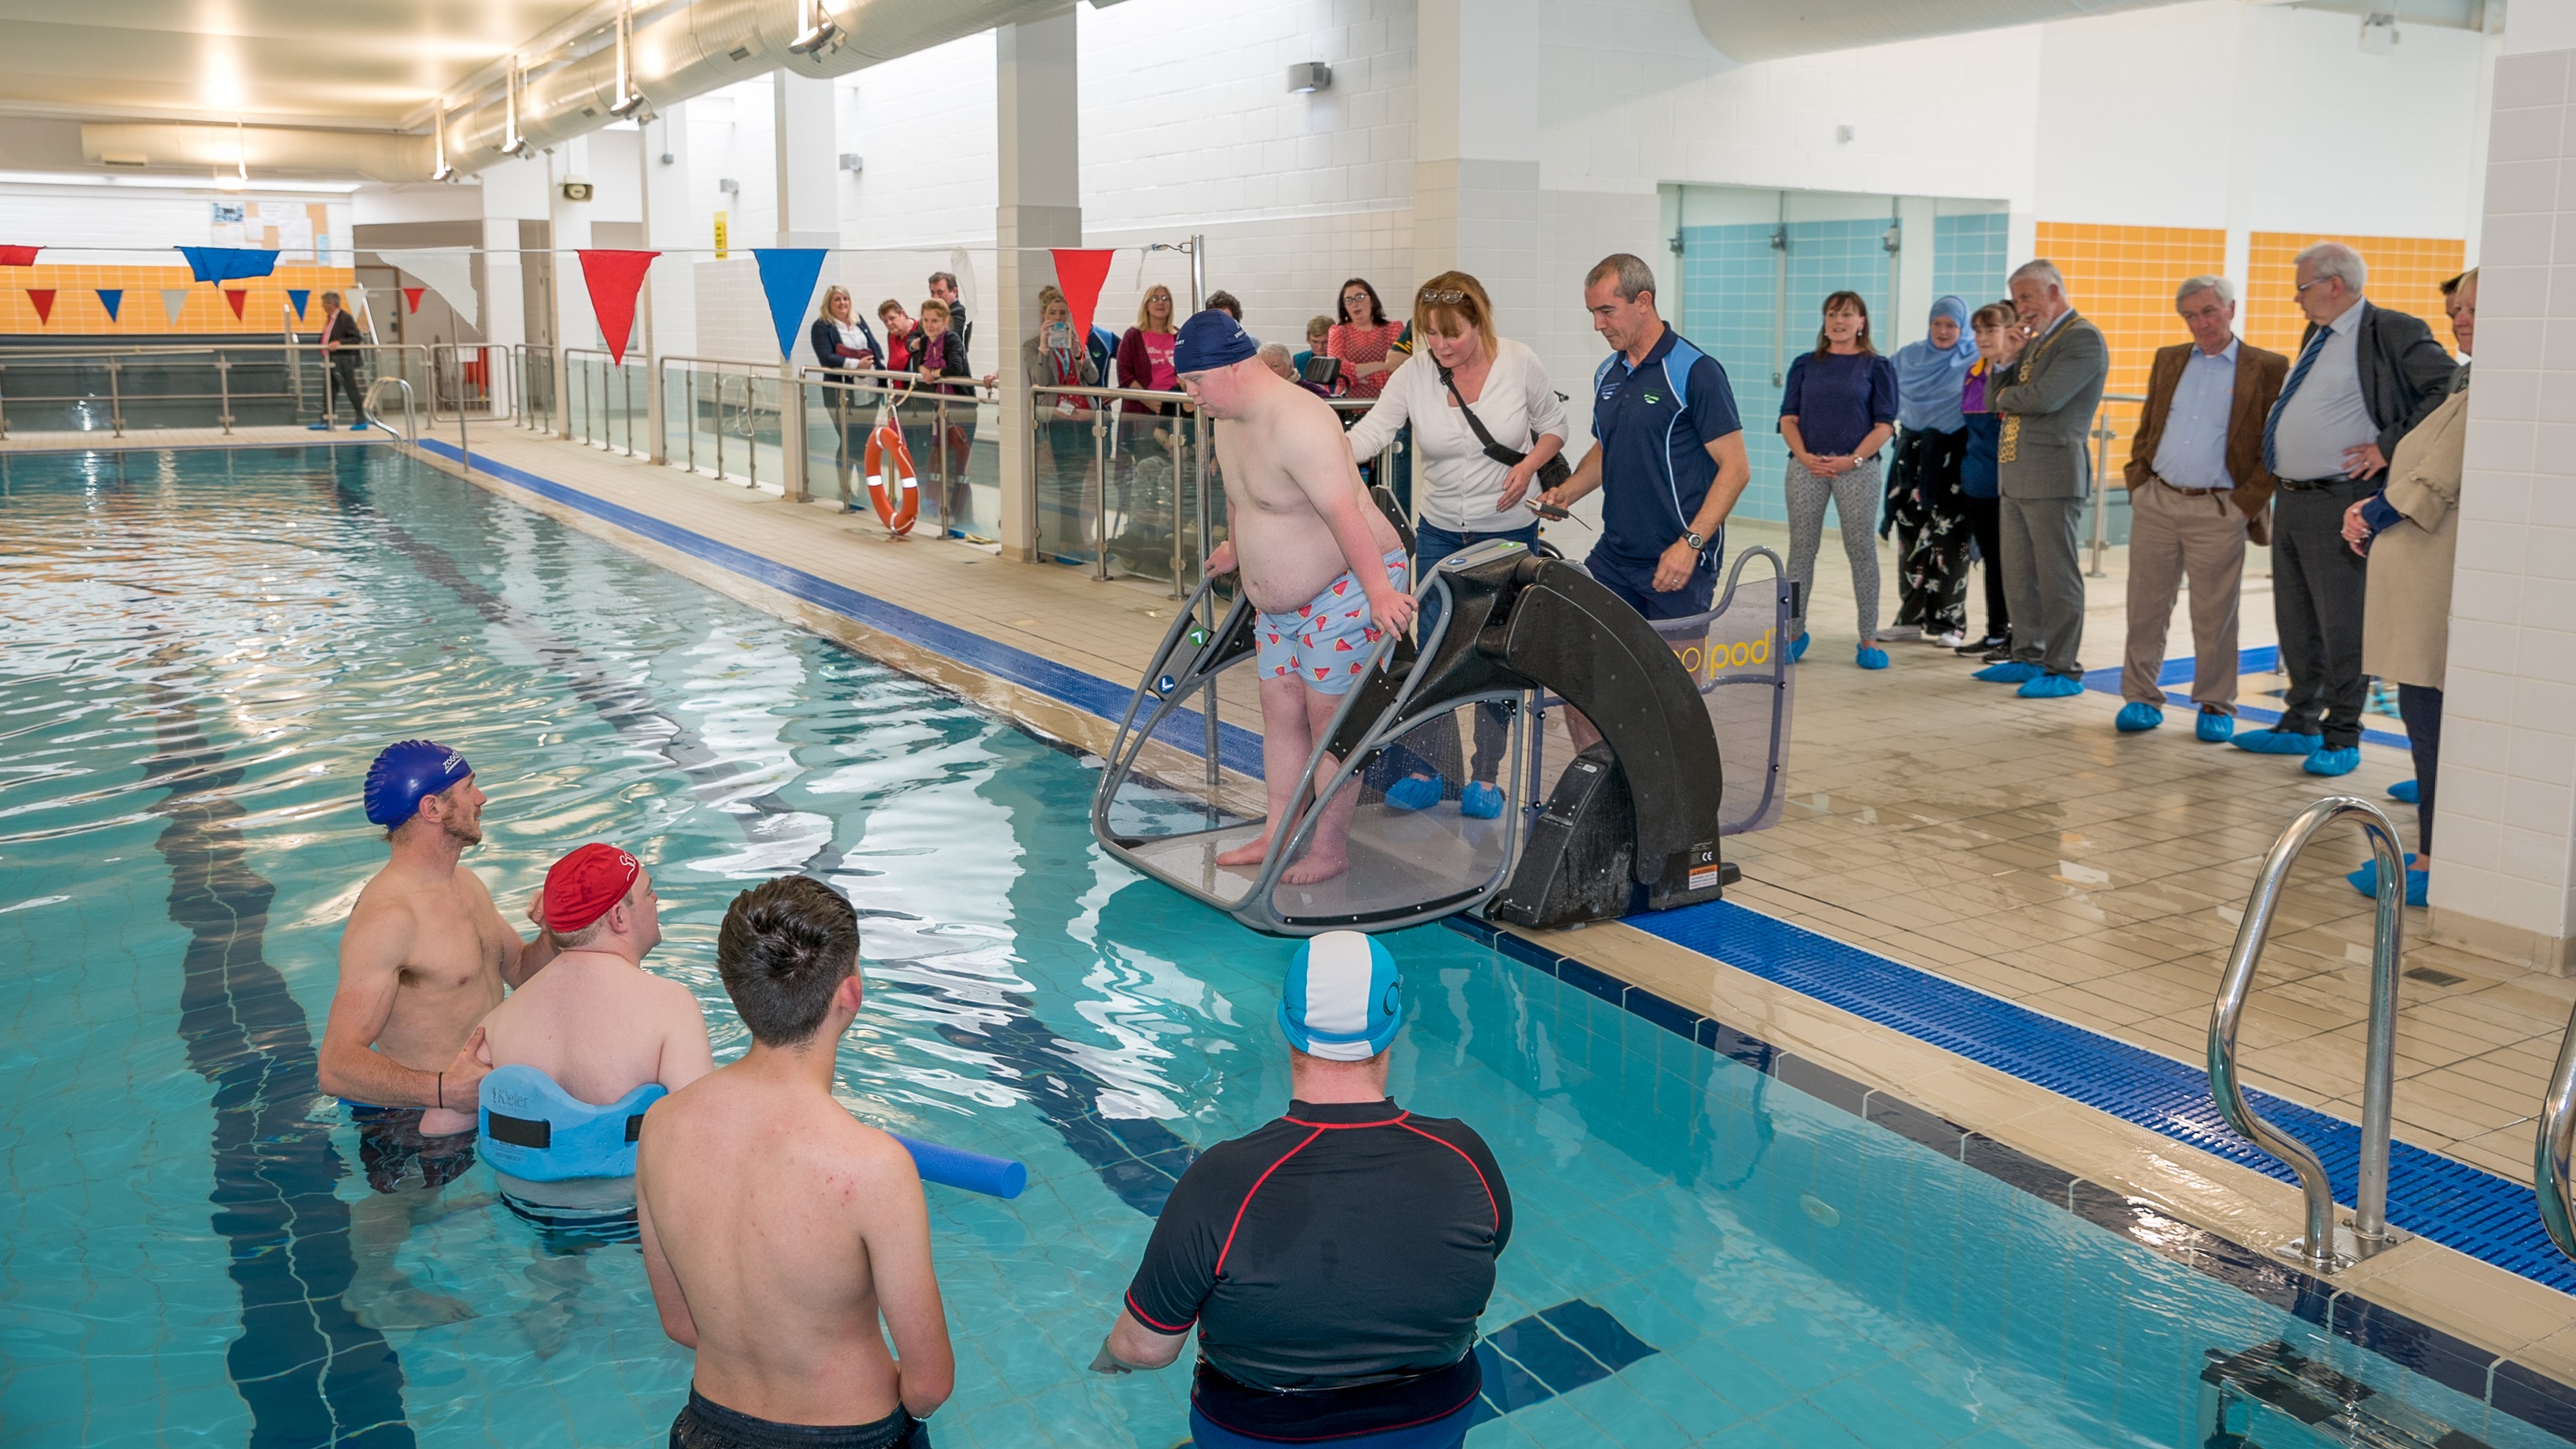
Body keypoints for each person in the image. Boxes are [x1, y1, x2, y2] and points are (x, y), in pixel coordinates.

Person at [1093, 933, 1509, 1449]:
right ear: (1394, 1020)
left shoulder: (1225, 1177)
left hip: (1262, 1432)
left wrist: (1110, 1356)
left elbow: (1145, 1349)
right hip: (1431, 1419)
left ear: (1285, 1023)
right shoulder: (1465, 1155)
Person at [637, 874, 953, 1449]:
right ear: (850, 994)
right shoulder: (872, 1166)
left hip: (707, 1427)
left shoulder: (662, 1126)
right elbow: (928, 1386)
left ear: (735, 991)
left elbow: (681, 1323)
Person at [317, 739, 560, 1325]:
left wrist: (555, 930)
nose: (482, 797)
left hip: (470, 1099)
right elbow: (336, 1065)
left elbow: (522, 972)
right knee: (405, 1205)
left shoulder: (466, 886)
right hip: (413, 1111)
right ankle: (370, 1290)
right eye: (468, 788)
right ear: (432, 809)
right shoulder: (389, 917)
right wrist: (445, 1091)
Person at [1182, 309, 1415, 884]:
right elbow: (1241, 493)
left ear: (1233, 368)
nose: (1191, 397)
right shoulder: (1227, 417)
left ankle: (1330, 849)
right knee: (1280, 710)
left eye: (1195, 383)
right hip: (1282, 608)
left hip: (1348, 587)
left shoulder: (1300, 421)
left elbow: (1345, 512)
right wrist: (1236, 548)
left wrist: (1381, 591)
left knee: (1329, 718)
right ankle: (1278, 832)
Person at [1345, 270, 1567, 818]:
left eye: (1453, 333)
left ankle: (1488, 778)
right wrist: (1318, 453)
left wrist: (1531, 468)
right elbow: (1374, 431)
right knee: (1437, 652)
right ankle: (1431, 766)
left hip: (1508, 537)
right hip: (1443, 531)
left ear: (1479, 321)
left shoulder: (1519, 361)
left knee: (1494, 654)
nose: (1441, 346)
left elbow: (1554, 424)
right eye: (1430, 334)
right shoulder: (1417, 373)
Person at [2237, 241, 2458, 777]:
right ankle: (2299, 721)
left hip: (2340, 498)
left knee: (2343, 622)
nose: (2296, 298)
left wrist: (2389, 443)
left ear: (2335, 284)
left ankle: (2343, 735)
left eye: (2303, 287)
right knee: (2296, 618)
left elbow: (2447, 388)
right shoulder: (2320, 333)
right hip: (2293, 495)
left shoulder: (2390, 329)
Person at [2341, 269, 2476, 908]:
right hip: (2421, 573)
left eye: (2475, 309)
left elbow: (2436, 481)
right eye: (2457, 310)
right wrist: (2374, 503)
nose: (2461, 320)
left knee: (2433, 720)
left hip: (2434, 580)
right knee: (2424, 716)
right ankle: (2432, 845)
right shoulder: (2469, 381)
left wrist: (2375, 511)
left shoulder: (2491, 391)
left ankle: (2432, 856)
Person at [2113, 276, 2288, 741]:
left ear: (2231, 309)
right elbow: (2151, 422)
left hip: (2218, 508)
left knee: (2215, 612)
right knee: (2145, 606)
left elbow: (2275, 446)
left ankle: (2215, 703)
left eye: (2209, 311)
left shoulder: (2266, 367)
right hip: (2157, 499)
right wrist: (2138, 481)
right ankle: (2139, 696)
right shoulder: (2169, 359)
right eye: (2190, 315)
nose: (2201, 323)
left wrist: (2244, 505)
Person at [1534, 253, 1751, 626]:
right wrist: (1566, 493)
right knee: (1598, 670)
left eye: (1607, 311)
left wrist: (1690, 545)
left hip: (1678, 559)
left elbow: (1736, 469)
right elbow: (1608, 448)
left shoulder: (1696, 371)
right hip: (1614, 558)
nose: (1598, 324)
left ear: (1643, 302)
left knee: (1674, 682)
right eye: (1592, 313)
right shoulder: (1608, 372)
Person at [1971, 260, 2108, 699]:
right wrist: (2005, 360)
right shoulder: (2036, 342)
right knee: (2019, 575)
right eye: (2016, 299)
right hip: (2014, 474)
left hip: (2052, 474)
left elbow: (2045, 399)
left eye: (2027, 297)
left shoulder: (2082, 338)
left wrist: (2013, 395)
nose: (2020, 309)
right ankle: (2028, 655)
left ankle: (2063, 668)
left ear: (2053, 292)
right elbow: (1994, 401)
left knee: (2056, 576)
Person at [1779, 290, 1900, 669]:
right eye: (1832, 314)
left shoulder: (1876, 367)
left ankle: (1868, 639)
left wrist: (1854, 459)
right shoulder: (1805, 365)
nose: (1839, 321)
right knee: (1801, 551)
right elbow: (1788, 419)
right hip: (1806, 467)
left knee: (1861, 550)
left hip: (1857, 470)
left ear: (1862, 322)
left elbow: (1885, 425)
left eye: (1848, 314)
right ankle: (1793, 633)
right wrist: (1805, 457)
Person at [1886, 295, 1981, 646]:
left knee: (1950, 540)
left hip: (1951, 459)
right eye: (1937, 324)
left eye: (1951, 325)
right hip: (1910, 458)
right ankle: (1909, 619)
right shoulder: (1909, 357)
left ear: (1963, 327)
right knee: (1910, 538)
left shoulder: (1973, 359)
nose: (1943, 331)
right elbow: (1882, 390)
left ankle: (1950, 624)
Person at [1956, 303, 2022, 658]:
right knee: (1993, 563)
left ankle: (2016, 635)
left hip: (2008, 484)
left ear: (2010, 332)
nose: (1982, 338)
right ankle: (1996, 632)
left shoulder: (2019, 375)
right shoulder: (1973, 373)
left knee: (2011, 563)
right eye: (1978, 331)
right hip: (1977, 482)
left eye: (1990, 330)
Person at [1026, 285, 1103, 522]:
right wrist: (1044, 349)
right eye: (1053, 313)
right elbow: (1040, 382)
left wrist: (1079, 352)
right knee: (1060, 483)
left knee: (1080, 484)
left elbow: (1093, 377)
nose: (1058, 318)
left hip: (1082, 419)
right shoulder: (1031, 346)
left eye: (1062, 313)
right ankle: (1060, 537)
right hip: (1056, 421)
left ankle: (1074, 536)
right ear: (1043, 314)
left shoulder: (1075, 340)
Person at [811, 287, 885, 514]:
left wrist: (876, 363)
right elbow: (827, 357)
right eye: (837, 299)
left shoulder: (858, 319)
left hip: (869, 391)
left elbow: (875, 347)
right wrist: (856, 364)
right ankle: (845, 490)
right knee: (848, 440)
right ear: (829, 303)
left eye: (845, 298)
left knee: (864, 442)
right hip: (842, 394)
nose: (842, 303)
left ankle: (864, 489)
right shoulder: (822, 326)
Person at [912, 299, 975, 531]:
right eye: (926, 320)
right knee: (937, 457)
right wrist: (924, 370)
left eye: (935, 321)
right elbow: (920, 362)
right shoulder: (927, 341)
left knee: (960, 460)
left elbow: (956, 367)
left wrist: (935, 372)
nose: (930, 325)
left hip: (959, 406)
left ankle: (961, 513)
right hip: (940, 406)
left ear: (945, 320)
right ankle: (938, 507)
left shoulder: (951, 339)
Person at [1327, 278, 1406, 401]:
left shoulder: (1394, 328)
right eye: (1348, 300)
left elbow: (1401, 370)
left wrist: (1354, 374)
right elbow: (1337, 374)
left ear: (1372, 300)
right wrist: (1382, 365)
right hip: (1347, 407)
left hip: (1389, 403)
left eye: (1360, 297)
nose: (1354, 303)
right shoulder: (1338, 332)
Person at [315, 289, 368, 432]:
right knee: (329, 390)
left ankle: (361, 419)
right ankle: (326, 420)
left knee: (351, 389)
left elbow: (356, 338)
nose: (323, 306)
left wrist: (339, 342)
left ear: (331, 304)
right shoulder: (331, 319)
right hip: (331, 359)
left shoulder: (345, 318)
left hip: (343, 360)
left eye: (324, 303)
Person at [1260, 341, 1335, 400]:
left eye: (1275, 366)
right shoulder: (1253, 391)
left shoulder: (1307, 389)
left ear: (1289, 367)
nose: (1268, 370)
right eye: (1264, 366)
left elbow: (1329, 405)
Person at [927, 270, 970, 362]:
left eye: (940, 292)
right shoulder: (933, 314)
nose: (935, 297)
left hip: (954, 372)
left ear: (954, 291)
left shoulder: (960, 312)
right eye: (932, 293)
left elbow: (949, 339)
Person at [1292, 314, 1335, 386]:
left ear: (1334, 340)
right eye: (1315, 342)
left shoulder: (1344, 361)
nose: (1320, 347)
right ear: (1308, 339)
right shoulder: (1297, 361)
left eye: (1325, 342)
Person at [876, 300, 917, 374]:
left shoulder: (920, 329)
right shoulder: (891, 335)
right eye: (885, 321)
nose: (889, 324)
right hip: (896, 383)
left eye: (892, 318)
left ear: (902, 314)